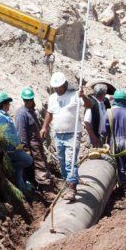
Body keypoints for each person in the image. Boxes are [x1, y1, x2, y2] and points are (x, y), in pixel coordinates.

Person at [40, 72, 92, 202]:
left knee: (70, 161)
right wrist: (44, 127)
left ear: (65, 84)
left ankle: (72, 188)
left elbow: (89, 105)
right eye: (55, 87)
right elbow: (49, 113)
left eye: (59, 87)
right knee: (62, 163)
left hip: (73, 134)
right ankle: (67, 183)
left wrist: (84, 96)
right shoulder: (52, 98)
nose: (57, 89)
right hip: (58, 134)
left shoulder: (75, 95)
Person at [15, 87, 55, 195]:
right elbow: (21, 132)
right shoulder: (21, 114)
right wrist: (25, 148)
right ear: (24, 100)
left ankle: (43, 185)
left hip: (37, 144)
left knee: (42, 163)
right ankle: (46, 191)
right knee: (40, 165)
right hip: (32, 146)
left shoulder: (31, 111)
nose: (30, 102)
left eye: (31, 99)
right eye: (28, 100)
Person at [0, 91, 33, 192]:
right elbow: (7, 136)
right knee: (28, 160)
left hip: (15, 147)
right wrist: (18, 147)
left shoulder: (4, 115)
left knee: (19, 171)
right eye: (8, 103)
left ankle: (22, 188)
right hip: (12, 149)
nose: (9, 105)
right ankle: (13, 167)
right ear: (3, 104)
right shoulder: (0, 117)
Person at [85, 83, 107, 148]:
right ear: (102, 94)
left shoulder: (101, 102)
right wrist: (94, 138)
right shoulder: (92, 104)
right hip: (96, 137)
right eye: (105, 93)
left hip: (102, 136)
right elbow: (87, 123)